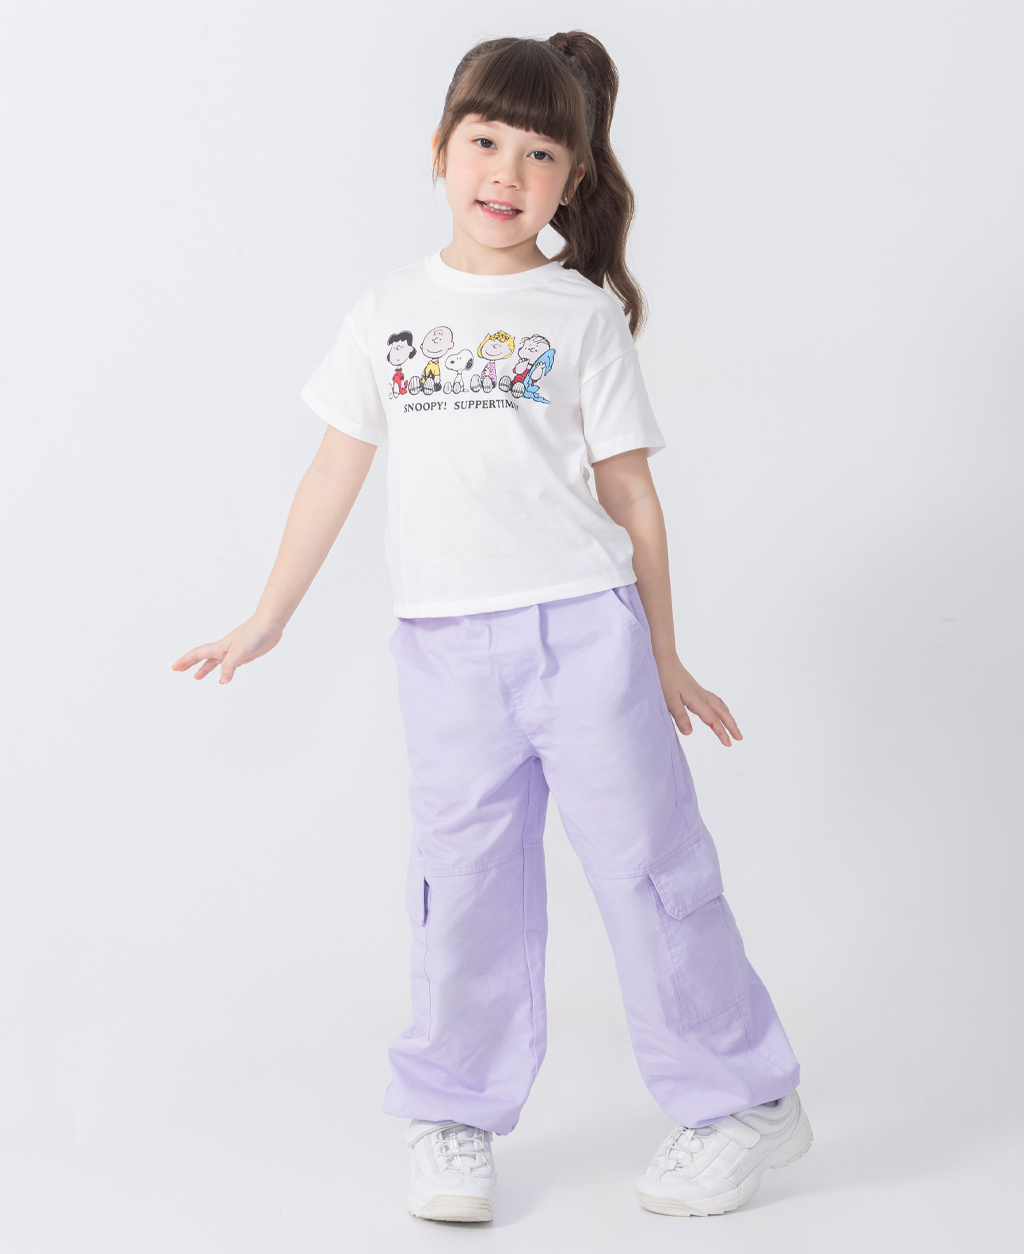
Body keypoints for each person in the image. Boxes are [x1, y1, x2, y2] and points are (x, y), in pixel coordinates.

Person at [172, 30, 812, 1225]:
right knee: (462, 886)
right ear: (439, 150)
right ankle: (454, 1111)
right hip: (444, 649)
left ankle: (745, 1102)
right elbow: (331, 472)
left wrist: (664, 655)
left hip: (585, 637)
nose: (505, 173)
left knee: (649, 871)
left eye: (538, 153)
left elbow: (632, 499)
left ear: (574, 178)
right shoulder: (387, 311)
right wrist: (268, 616)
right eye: (484, 142)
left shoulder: (580, 317)